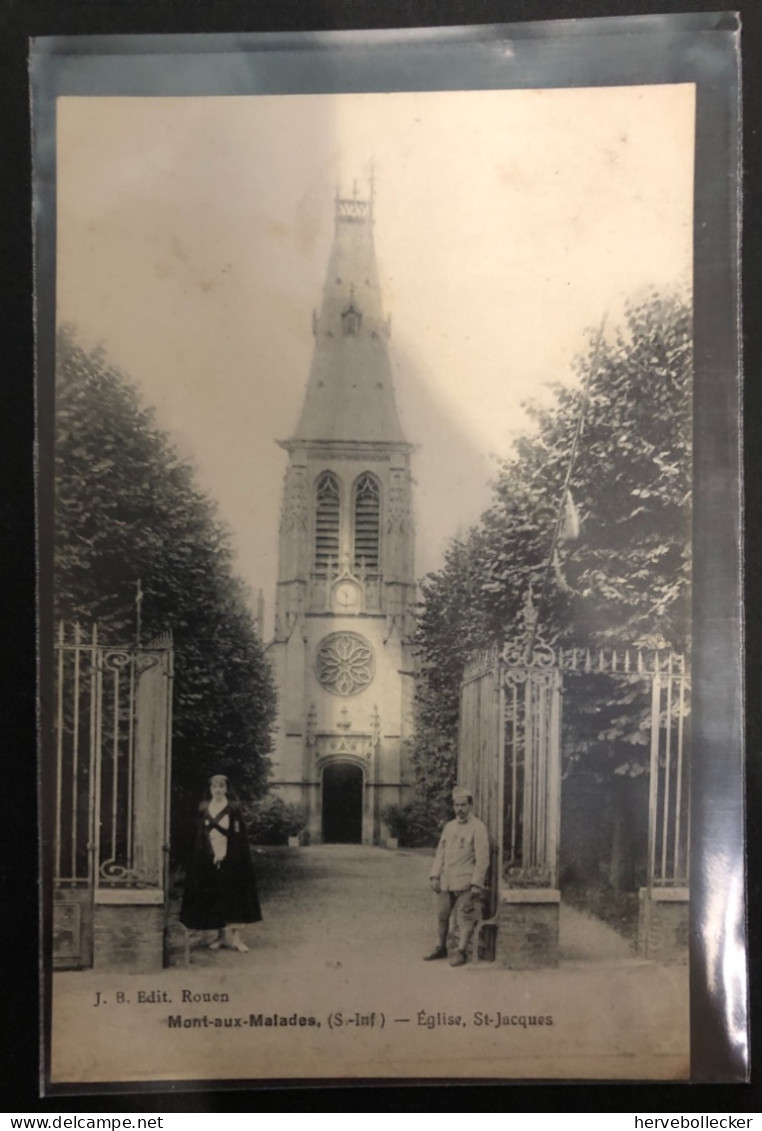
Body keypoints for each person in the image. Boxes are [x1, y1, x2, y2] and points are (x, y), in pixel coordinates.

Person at [179, 774, 262, 952]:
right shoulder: (203, 807)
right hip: (209, 858)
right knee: (215, 896)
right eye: (214, 786)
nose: (218, 790)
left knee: (234, 896)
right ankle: (221, 937)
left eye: (221, 786)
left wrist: (228, 855)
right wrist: (210, 854)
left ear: (226, 788)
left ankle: (237, 939)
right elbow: (201, 836)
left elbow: (239, 836)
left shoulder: (234, 808)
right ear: (210, 789)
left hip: (231, 858)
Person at [424, 786, 490, 967]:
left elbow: (482, 859)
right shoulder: (449, 827)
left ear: (470, 806)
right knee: (442, 915)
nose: (459, 809)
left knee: (465, 916)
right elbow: (440, 853)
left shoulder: (478, 828)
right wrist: (434, 875)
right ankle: (441, 947)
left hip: (466, 882)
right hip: (446, 880)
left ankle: (461, 952)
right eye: (456, 805)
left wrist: (477, 883)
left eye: (463, 805)